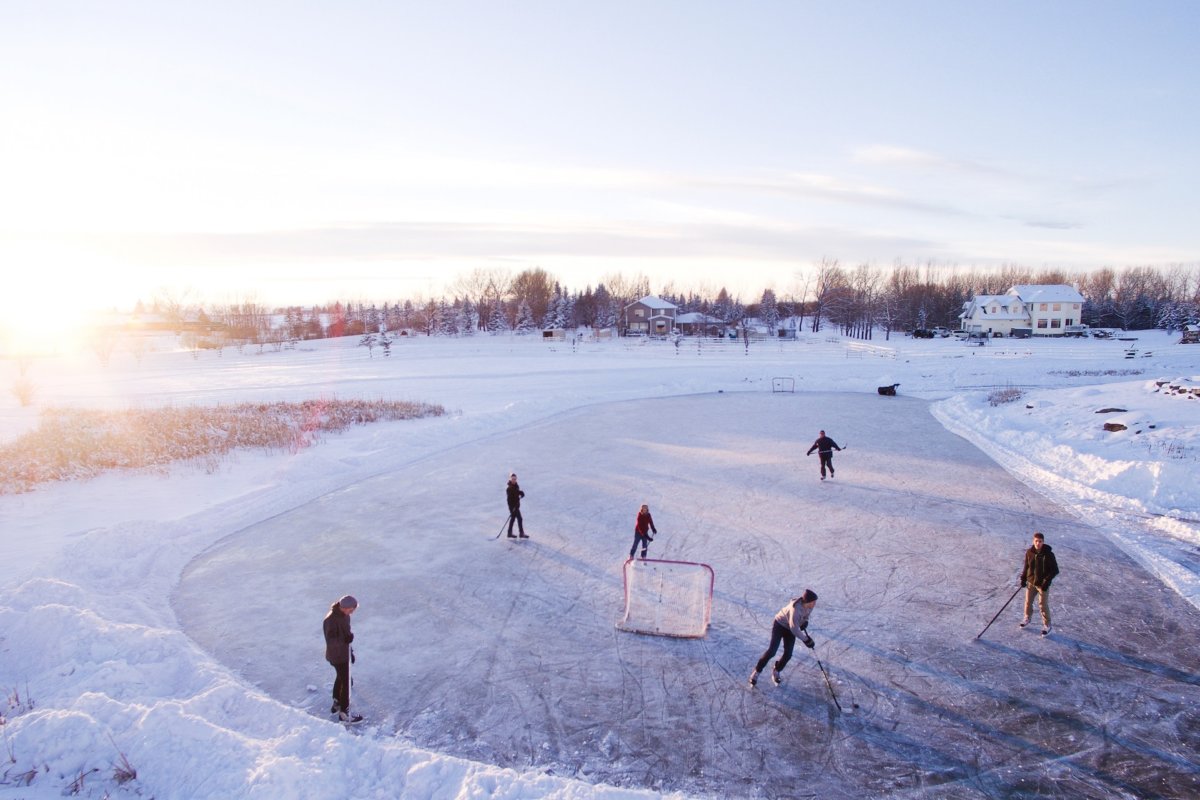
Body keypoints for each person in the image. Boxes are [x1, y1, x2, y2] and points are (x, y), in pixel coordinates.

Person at [751, 589, 818, 686]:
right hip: (780, 625)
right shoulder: (795, 609)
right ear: (808, 601)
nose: (815, 604)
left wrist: (804, 622)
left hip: (790, 628)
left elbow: (806, 616)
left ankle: (777, 669)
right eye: (813, 602)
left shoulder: (810, 607)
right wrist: (806, 640)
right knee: (772, 651)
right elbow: (794, 629)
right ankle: (756, 671)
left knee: (788, 654)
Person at [323, 594, 363, 723]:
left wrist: (350, 652)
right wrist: (345, 640)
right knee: (347, 682)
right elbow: (331, 640)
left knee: (341, 678)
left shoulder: (345, 617)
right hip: (337, 656)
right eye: (352, 609)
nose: (353, 611)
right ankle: (344, 713)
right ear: (345, 607)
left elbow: (346, 634)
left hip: (343, 653)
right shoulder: (330, 620)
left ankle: (336, 702)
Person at [1019, 531, 1060, 636]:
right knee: (1028, 601)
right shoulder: (1029, 552)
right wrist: (1023, 578)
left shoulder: (1049, 554)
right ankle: (1027, 617)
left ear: (1043, 542)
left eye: (1040, 541)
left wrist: (1046, 581)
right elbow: (1026, 567)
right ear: (1033, 541)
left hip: (1042, 585)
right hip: (1031, 582)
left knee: (1042, 605)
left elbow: (1055, 570)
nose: (1038, 543)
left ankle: (1047, 625)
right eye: (1036, 541)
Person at [506, 473, 528, 538]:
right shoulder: (509, 488)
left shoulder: (516, 486)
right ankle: (521, 533)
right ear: (510, 479)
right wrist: (512, 508)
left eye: (515, 479)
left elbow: (517, 492)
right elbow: (509, 500)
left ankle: (509, 533)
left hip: (516, 506)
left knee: (513, 518)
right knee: (520, 518)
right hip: (513, 507)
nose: (514, 480)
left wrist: (521, 493)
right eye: (513, 479)